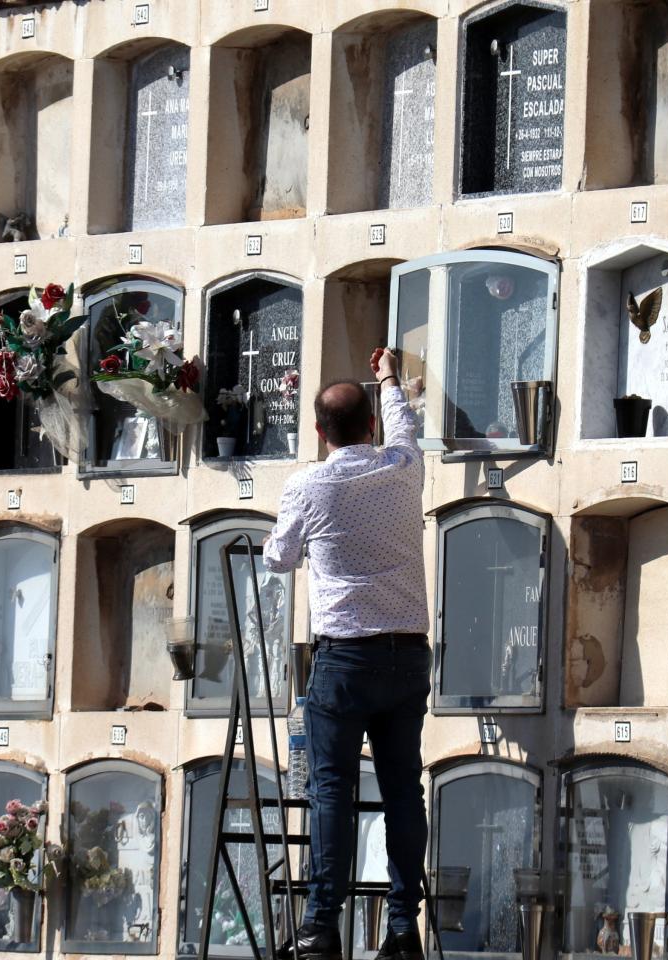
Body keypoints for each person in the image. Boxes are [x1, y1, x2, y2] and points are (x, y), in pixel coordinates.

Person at [263, 347, 428, 960]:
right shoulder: (403, 465)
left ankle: (321, 927)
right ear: (372, 426)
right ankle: (404, 928)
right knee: (402, 791)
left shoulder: (309, 486)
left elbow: (278, 557)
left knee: (330, 789)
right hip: (407, 656)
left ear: (317, 432)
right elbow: (406, 422)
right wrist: (387, 377)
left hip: (343, 660)